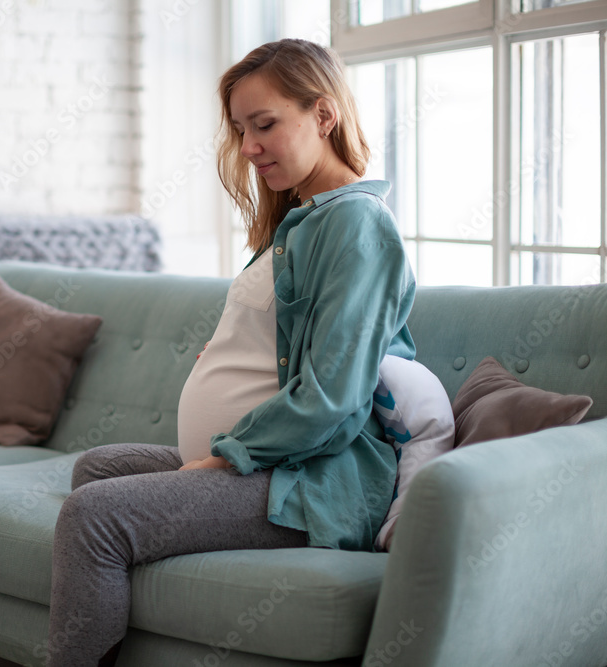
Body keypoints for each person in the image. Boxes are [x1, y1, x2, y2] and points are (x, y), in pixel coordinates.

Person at [43, 38, 416, 667]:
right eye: (241, 129)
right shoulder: (303, 220)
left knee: (94, 517)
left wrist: (223, 460)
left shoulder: (356, 225)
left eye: (265, 125)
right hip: (258, 463)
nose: (247, 148)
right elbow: (281, 343)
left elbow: (334, 397)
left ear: (323, 116)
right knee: (98, 469)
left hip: (307, 478)